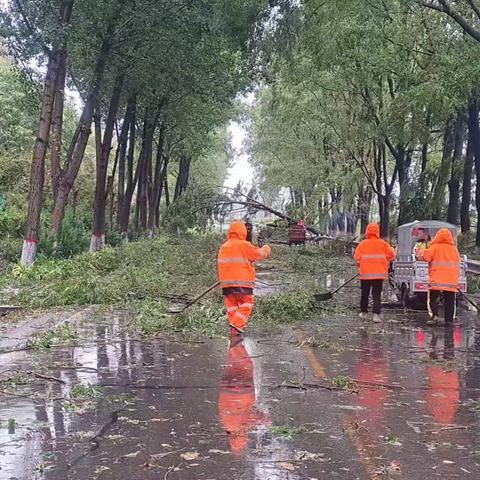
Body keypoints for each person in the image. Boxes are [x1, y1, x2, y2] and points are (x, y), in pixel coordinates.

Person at [218, 221, 271, 336]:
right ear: (242, 232)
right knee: (247, 303)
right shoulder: (244, 245)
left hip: (226, 285)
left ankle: (234, 329)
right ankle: (237, 325)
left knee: (232, 307)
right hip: (243, 284)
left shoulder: (223, 247)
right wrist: (266, 248)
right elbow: (259, 254)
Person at [354, 223, 396, 322]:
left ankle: (364, 313)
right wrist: (386, 261)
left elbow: (357, 258)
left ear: (367, 231)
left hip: (365, 275)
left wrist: (360, 264)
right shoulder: (383, 244)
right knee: (376, 294)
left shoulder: (362, 244)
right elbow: (393, 255)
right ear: (377, 232)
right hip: (379, 274)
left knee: (365, 293)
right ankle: (376, 315)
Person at [422, 228, 460, 324]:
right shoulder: (454, 249)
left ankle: (435, 316)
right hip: (450, 280)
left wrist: (424, 250)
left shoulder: (434, 247)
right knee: (450, 300)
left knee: (433, 298)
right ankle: (449, 321)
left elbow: (426, 257)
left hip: (437, 279)